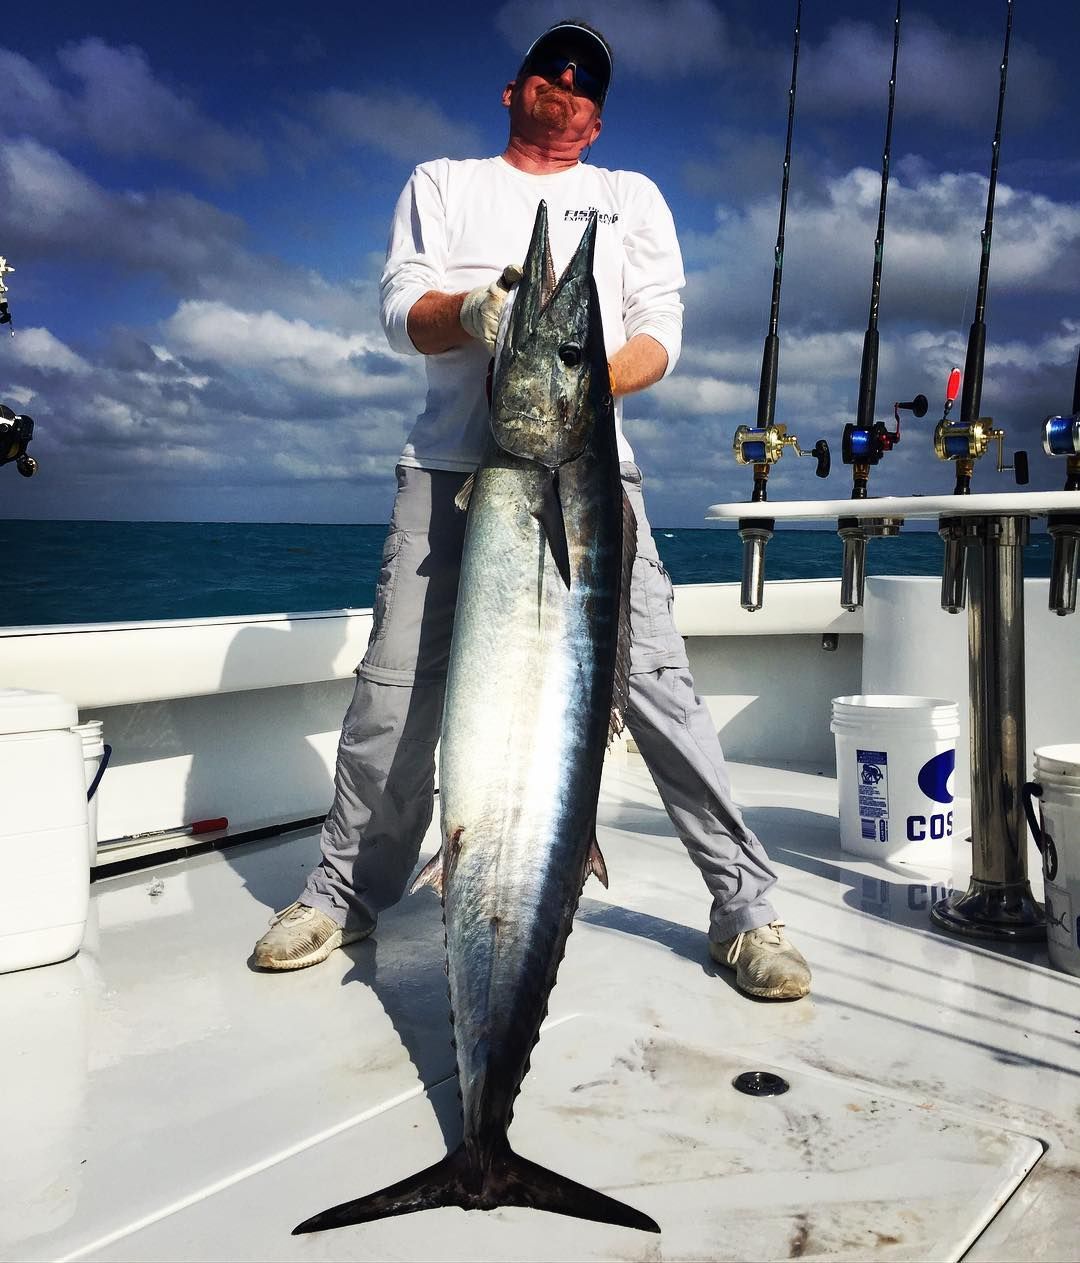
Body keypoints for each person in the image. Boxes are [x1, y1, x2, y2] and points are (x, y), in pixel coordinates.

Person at [253, 20, 811, 1001]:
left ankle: (745, 908)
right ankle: (343, 895)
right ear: (510, 92)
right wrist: (473, 314)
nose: (567, 83)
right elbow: (401, 313)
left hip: (588, 470)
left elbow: (659, 334)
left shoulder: (628, 197)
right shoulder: (444, 183)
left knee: (657, 686)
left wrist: (575, 385)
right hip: (445, 468)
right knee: (394, 689)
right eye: (548, 71)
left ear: (599, 120)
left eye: (587, 80)